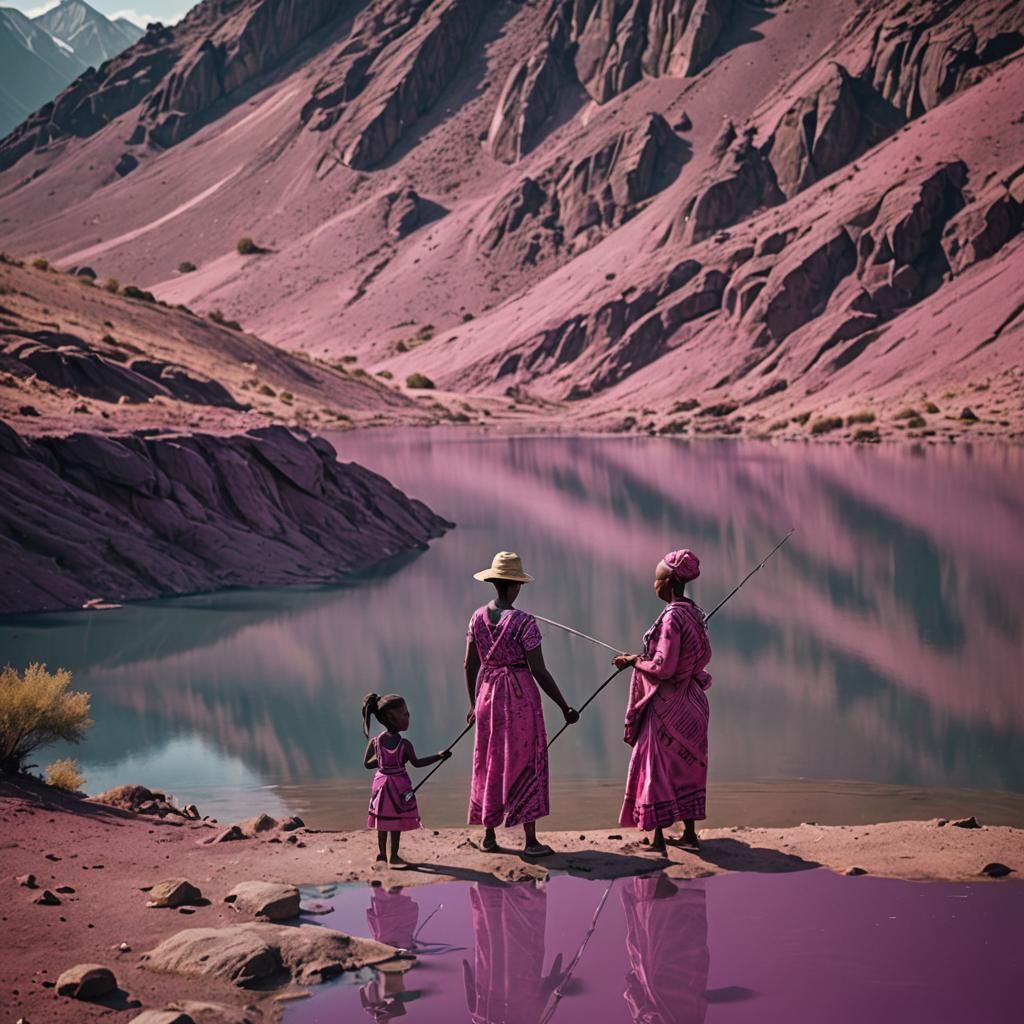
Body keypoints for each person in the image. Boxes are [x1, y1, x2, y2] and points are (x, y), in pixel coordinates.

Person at [465, 551, 579, 857]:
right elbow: (538, 670)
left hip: (488, 695)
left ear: (494, 583)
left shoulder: (477, 618)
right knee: (527, 761)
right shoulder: (524, 622)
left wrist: (474, 703)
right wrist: (564, 706)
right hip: (519, 698)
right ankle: (530, 842)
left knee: (490, 761)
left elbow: (470, 665)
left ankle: (489, 836)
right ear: (515, 586)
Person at [614, 549, 712, 853]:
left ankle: (657, 840)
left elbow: (664, 668)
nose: (654, 584)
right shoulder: (695, 614)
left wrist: (634, 661)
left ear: (668, 583)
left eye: (656, 579)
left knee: (656, 769)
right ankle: (690, 834)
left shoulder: (671, 618)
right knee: (688, 768)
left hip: (668, 707)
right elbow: (702, 655)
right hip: (693, 703)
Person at [363, 692, 451, 866]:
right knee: (394, 823)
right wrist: (439, 756)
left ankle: (382, 855)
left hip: (381, 786)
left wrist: (383, 761)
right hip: (398, 787)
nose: (408, 716)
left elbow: (367, 764)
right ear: (391, 717)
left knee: (383, 822)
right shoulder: (404, 745)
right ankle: (393, 857)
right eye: (405, 714)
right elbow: (417, 763)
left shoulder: (375, 742)